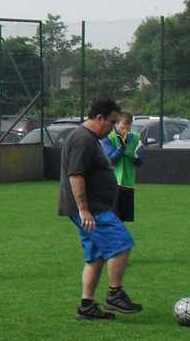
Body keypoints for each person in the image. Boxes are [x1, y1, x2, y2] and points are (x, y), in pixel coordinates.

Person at [59, 97, 142, 321]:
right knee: (122, 243)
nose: (113, 128)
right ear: (99, 118)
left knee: (95, 257)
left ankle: (86, 307)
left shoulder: (90, 138)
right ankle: (115, 294)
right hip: (92, 209)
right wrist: (84, 209)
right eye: (111, 122)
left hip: (91, 208)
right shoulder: (83, 139)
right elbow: (75, 175)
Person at [103, 112, 143, 222]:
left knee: (123, 220)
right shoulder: (108, 137)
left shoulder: (136, 138)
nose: (125, 130)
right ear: (117, 124)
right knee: (112, 218)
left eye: (128, 128)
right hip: (112, 184)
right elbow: (111, 160)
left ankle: (120, 239)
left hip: (128, 184)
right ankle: (110, 238)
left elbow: (139, 162)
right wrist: (122, 147)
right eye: (122, 127)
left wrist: (136, 156)